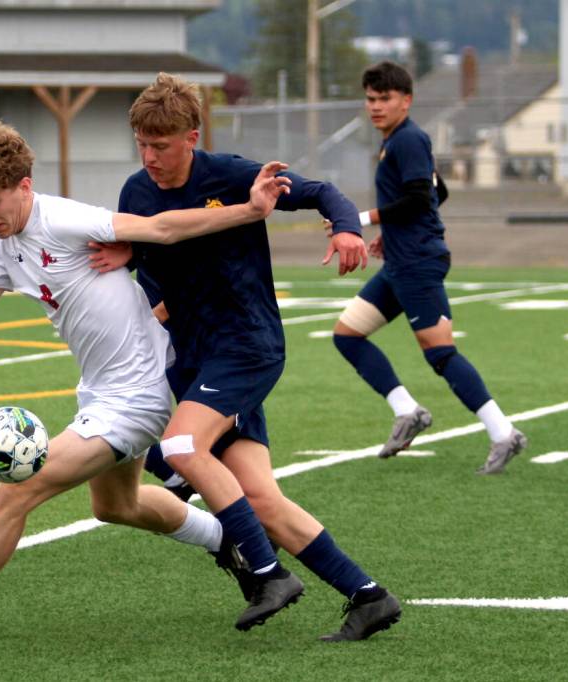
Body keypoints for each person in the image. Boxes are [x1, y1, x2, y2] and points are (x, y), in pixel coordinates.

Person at [0, 121, 303, 640]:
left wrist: (249, 210)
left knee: (18, 490)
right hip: (102, 392)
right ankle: (227, 540)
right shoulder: (4, 248)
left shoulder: (63, 220)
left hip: (138, 395)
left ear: (24, 184)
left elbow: (162, 230)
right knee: (115, 506)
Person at [89, 72, 401, 643]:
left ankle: (267, 573)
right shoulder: (136, 191)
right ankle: (368, 596)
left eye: (161, 145)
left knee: (182, 445)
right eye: (142, 144)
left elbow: (321, 192)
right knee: (256, 497)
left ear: (192, 136)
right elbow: (151, 260)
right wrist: (132, 266)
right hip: (195, 358)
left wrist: (348, 229)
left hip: (246, 345)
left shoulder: (231, 175)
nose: (150, 156)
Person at [332, 61, 527, 474]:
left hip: (418, 262)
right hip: (403, 259)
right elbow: (439, 190)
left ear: (407, 100)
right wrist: (396, 232)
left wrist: (364, 220)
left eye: (385, 99)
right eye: (370, 99)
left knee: (440, 353)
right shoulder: (397, 141)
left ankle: (503, 433)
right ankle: (408, 411)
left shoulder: (409, 139)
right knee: (347, 335)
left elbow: (422, 198)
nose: (376, 106)